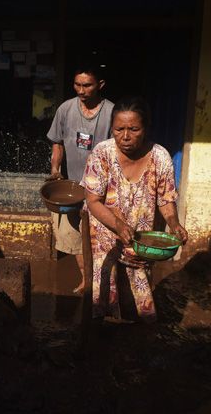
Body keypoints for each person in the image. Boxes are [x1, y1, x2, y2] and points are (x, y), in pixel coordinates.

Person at [81, 96, 188, 323]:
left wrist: (174, 223)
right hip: (105, 237)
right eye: (119, 129)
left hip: (139, 241)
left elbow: (166, 199)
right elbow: (93, 201)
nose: (126, 136)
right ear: (112, 128)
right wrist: (118, 225)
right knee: (104, 293)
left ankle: (136, 336)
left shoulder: (160, 157)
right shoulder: (102, 154)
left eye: (134, 129)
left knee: (139, 299)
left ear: (146, 128)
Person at [46, 67, 115, 294]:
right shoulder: (65, 109)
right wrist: (56, 169)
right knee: (73, 236)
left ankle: (105, 283)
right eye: (77, 85)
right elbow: (57, 142)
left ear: (100, 85)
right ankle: (87, 281)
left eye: (87, 85)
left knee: (103, 237)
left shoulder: (112, 113)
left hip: (103, 190)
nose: (82, 90)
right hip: (72, 187)